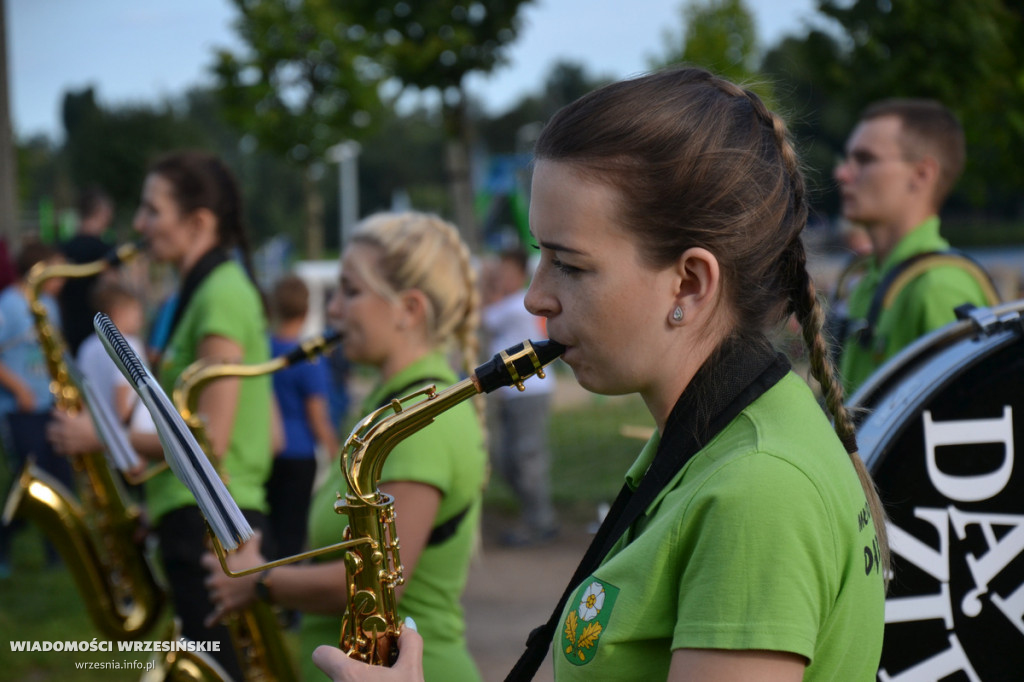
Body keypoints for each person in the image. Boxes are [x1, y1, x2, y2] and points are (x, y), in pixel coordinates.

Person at [311, 67, 888, 682]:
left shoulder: (757, 490)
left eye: (571, 266)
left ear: (689, 284)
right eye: (540, 256)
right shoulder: (715, 437)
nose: (536, 299)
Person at [202, 211, 486, 682]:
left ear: (408, 309)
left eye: (349, 292)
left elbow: (375, 589)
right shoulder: (390, 403)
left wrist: (260, 581)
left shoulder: (422, 423)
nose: (332, 310)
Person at [48, 151, 273, 680]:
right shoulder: (202, 294)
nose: (139, 225)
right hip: (199, 518)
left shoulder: (218, 295)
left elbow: (211, 439)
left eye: (152, 210)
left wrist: (100, 437)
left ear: (198, 222)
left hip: (214, 522)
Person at [833, 98, 997, 395]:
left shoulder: (939, 287)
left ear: (922, 174)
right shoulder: (868, 281)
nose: (842, 174)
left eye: (865, 159)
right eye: (848, 159)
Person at [0, 241, 73, 577]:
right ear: (38, 269)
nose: (62, 277)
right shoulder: (9, 305)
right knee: (27, 480)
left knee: (60, 477)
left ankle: (58, 554)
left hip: (51, 405)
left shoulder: (49, 304)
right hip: (20, 409)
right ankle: (4, 547)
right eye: (55, 269)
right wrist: (19, 388)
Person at [480, 246, 558, 546]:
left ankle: (539, 522)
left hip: (530, 393)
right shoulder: (511, 303)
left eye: (506, 271)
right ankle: (538, 517)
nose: (502, 277)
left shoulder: (517, 305)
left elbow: (482, 318)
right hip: (515, 394)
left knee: (525, 458)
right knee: (509, 459)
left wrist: (487, 284)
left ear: (521, 273)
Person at [265, 273, 339, 563]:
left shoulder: (263, 350)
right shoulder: (307, 358)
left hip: (267, 451)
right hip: (298, 455)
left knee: (267, 532)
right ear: (307, 310)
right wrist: (337, 456)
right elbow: (317, 417)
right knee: (292, 537)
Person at [75, 279, 148, 424]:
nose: (140, 319)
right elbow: (122, 403)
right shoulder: (128, 344)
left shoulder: (87, 345)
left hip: (99, 430)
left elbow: (83, 396)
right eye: (135, 312)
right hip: (131, 434)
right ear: (118, 312)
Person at [58, 186, 116, 356]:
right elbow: (113, 291)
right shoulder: (106, 252)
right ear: (102, 212)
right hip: (99, 331)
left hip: (68, 328)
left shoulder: (63, 248)